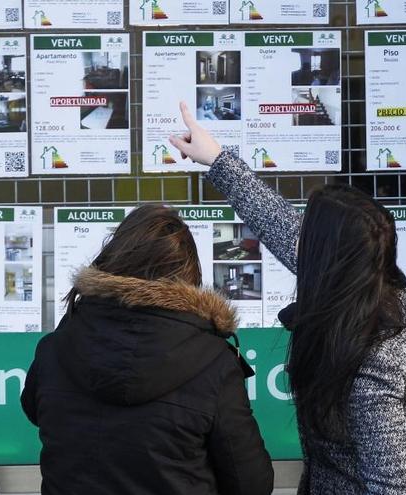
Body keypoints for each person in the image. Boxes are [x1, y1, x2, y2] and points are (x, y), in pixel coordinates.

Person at [170, 102, 406, 494]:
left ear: (325, 258)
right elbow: (281, 225)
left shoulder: (373, 367)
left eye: (309, 233)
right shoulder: (377, 283)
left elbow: (396, 488)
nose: (300, 239)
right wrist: (217, 160)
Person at [21, 205, 273, 495]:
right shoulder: (214, 362)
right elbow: (251, 483)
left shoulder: (55, 348)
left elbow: (34, 411)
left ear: (111, 260)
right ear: (189, 275)